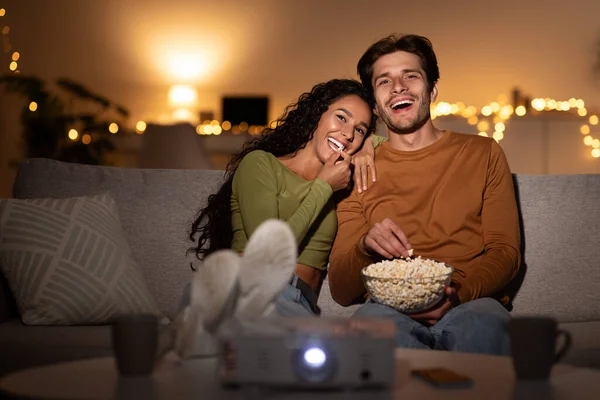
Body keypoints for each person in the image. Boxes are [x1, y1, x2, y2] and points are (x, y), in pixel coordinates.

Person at [328, 34, 521, 355]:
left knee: (485, 341)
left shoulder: (483, 152)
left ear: (431, 90)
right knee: (370, 340)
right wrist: (364, 247)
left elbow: (505, 252)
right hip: (387, 308)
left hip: (471, 302)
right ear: (375, 105)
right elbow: (341, 291)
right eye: (384, 81)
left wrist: (454, 293)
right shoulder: (356, 171)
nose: (399, 87)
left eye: (411, 76)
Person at [189, 79, 380, 318]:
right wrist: (324, 187)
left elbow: (403, 145)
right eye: (341, 117)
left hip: (298, 306)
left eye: (359, 129)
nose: (348, 133)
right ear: (317, 114)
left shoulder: (342, 182)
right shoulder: (261, 164)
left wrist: (369, 143)